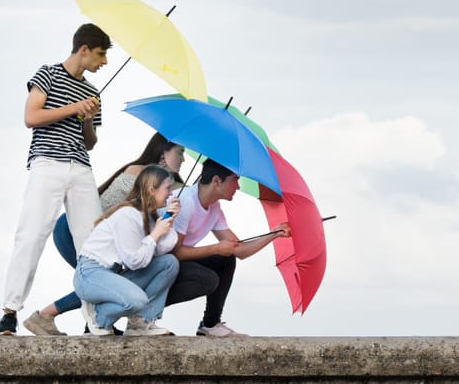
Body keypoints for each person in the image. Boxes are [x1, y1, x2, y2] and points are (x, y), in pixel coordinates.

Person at [0, 23, 111, 335]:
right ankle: (9, 311)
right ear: (84, 49)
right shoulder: (47, 73)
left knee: (93, 244)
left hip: (81, 167)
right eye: (100, 54)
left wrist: (87, 120)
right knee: (31, 235)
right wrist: (74, 107)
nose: (104, 62)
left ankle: (95, 319)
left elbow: (90, 142)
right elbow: (31, 117)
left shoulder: (92, 92)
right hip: (47, 162)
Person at [22, 133, 186, 335]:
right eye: (180, 152)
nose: (183, 159)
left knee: (110, 279)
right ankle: (56, 317)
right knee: (102, 279)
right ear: (163, 153)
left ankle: (73, 320)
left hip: (104, 239)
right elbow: (129, 216)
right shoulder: (139, 175)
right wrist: (153, 232)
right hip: (75, 229)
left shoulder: (154, 190)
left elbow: (146, 230)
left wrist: (167, 219)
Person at [165, 158, 290, 337]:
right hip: (159, 263)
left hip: (176, 261)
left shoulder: (214, 209)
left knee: (226, 258)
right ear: (217, 181)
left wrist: (274, 233)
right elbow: (173, 253)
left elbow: (239, 250)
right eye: (235, 179)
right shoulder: (186, 202)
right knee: (207, 279)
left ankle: (210, 324)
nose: (238, 187)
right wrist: (216, 248)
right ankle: (146, 311)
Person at [74, 165, 181, 336]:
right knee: (137, 300)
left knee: (169, 263)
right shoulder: (128, 215)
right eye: (167, 188)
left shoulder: (147, 216)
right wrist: (155, 234)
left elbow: (160, 250)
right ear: (151, 190)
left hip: (113, 275)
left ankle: (140, 322)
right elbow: (135, 261)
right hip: (90, 274)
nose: (170, 194)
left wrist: (168, 220)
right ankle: (99, 317)